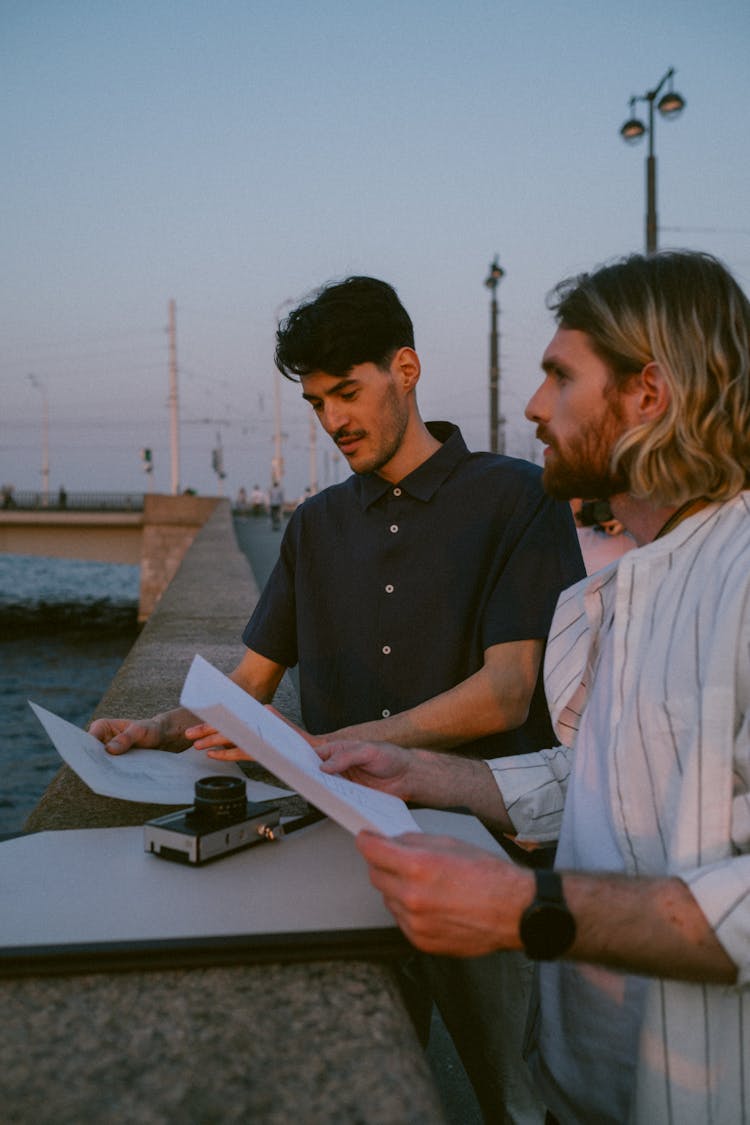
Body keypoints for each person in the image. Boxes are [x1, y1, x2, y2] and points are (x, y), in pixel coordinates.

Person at [90, 275, 583, 1123]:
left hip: (485, 857)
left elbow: (508, 693)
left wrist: (332, 744)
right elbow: (248, 688)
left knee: (518, 1097)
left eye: (347, 393)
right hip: (341, 853)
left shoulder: (514, 497)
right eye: (318, 402)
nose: (333, 420)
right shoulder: (312, 524)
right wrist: (158, 727)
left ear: (407, 367)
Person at [320, 251, 750, 1124]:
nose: (532, 407)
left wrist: (525, 905)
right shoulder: (624, 584)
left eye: (560, 376)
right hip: (581, 1087)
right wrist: (417, 773)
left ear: (648, 394)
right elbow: (595, 779)